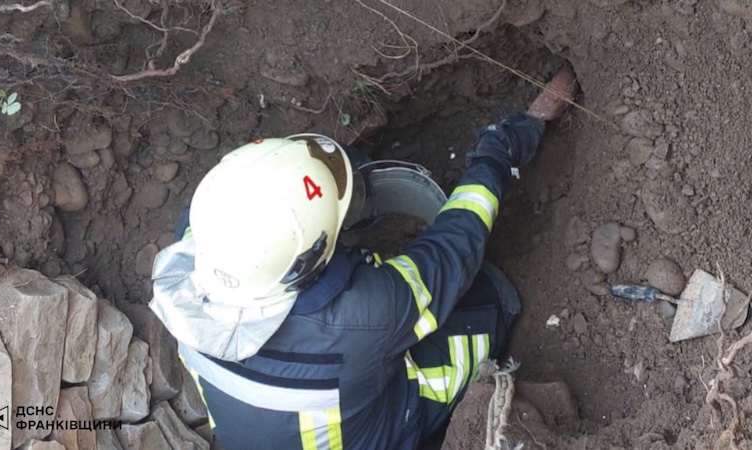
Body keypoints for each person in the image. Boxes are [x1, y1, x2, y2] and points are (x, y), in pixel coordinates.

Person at [149, 68, 578, 450]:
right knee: (489, 300)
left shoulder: (193, 249)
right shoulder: (361, 316)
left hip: (260, 429)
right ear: (308, 262)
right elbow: (454, 251)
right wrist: (496, 151)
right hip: (365, 431)